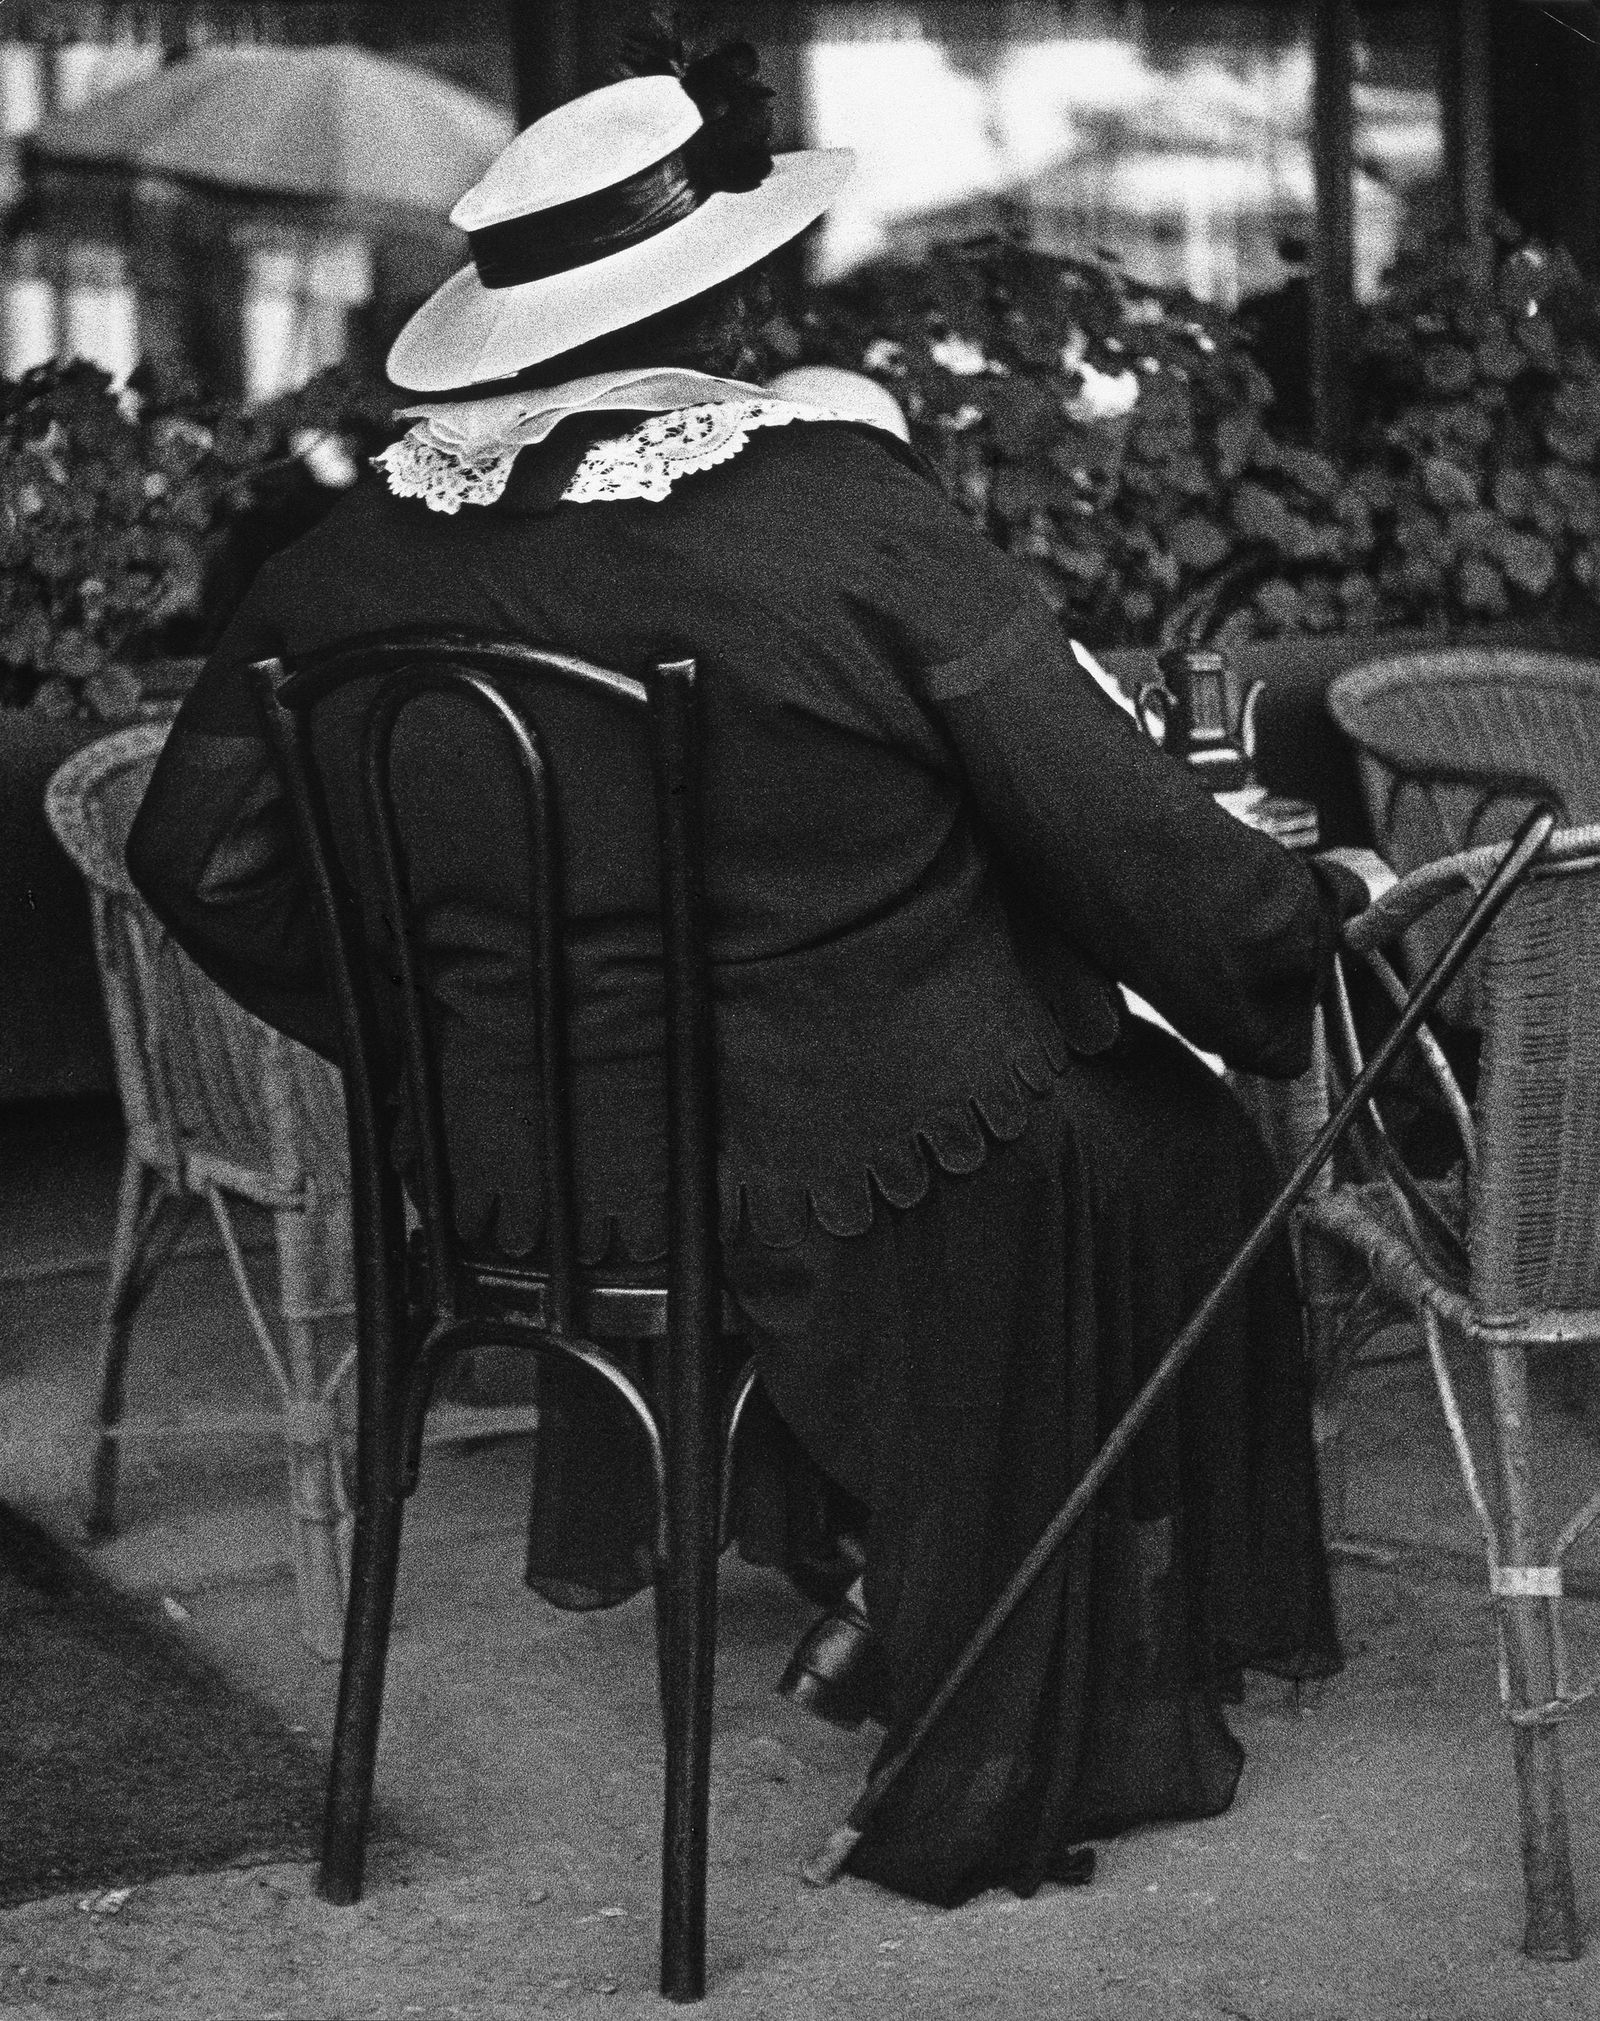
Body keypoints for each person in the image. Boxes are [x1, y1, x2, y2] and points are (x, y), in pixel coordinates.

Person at [127, 43, 1356, 1909]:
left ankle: (876, 1575)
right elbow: (1108, 824)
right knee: (1177, 1149)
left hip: (533, 1179)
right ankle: (994, 1656)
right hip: (865, 1168)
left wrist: (433, 1037)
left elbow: (191, 852)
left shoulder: (348, 554)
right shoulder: (840, 509)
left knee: (1051, 1129)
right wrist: (1300, 912)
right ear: (727, 300)